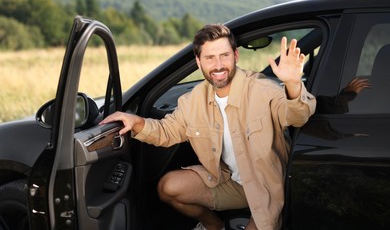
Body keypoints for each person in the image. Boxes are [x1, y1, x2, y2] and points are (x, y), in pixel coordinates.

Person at [99, 24, 316, 230]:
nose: (218, 65)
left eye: (224, 55)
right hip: (231, 182)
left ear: (236, 56)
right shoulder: (193, 101)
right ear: (198, 61)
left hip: (267, 188)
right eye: (210, 57)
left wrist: (293, 84)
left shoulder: (263, 90)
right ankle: (214, 226)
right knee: (169, 188)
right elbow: (167, 132)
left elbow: (298, 116)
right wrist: (135, 122)